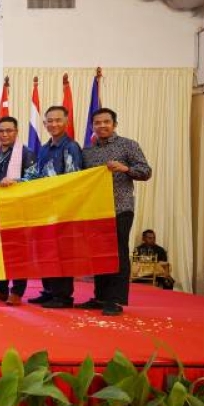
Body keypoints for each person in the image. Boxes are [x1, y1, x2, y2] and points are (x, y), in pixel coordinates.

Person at [77, 108, 153, 315]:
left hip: (120, 208)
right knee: (99, 254)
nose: (102, 126)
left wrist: (125, 168)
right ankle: (101, 297)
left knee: (118, 253)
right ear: (93, 126)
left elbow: (146, 171)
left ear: (114, 124)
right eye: (97, 123)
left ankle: (115, 300)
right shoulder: (88, 152)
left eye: (106, 122)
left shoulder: (128, 145)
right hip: (96, 211)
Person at [29, 105, 85, 309]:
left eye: (58, 120)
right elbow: (35, 174)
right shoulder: (44, 148)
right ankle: (49, 290)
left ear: (66, 121)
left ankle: (63, 295)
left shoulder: (71, 147)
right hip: (44, 208)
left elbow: (73, 178)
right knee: (46, 251)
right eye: (49, 121)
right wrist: (16, 181)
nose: (53, 124)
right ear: (44, 124)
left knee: (61, 252)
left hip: (62, 209)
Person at [0, 116, 38, 306]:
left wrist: (16, 181)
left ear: (16, 132)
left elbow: (34, 178)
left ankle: (17, 290)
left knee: (18, 252)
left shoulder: (26, 153)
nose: (5, 134)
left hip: (18, 210)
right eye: (1, 131)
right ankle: (0, 288)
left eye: (9, 131)